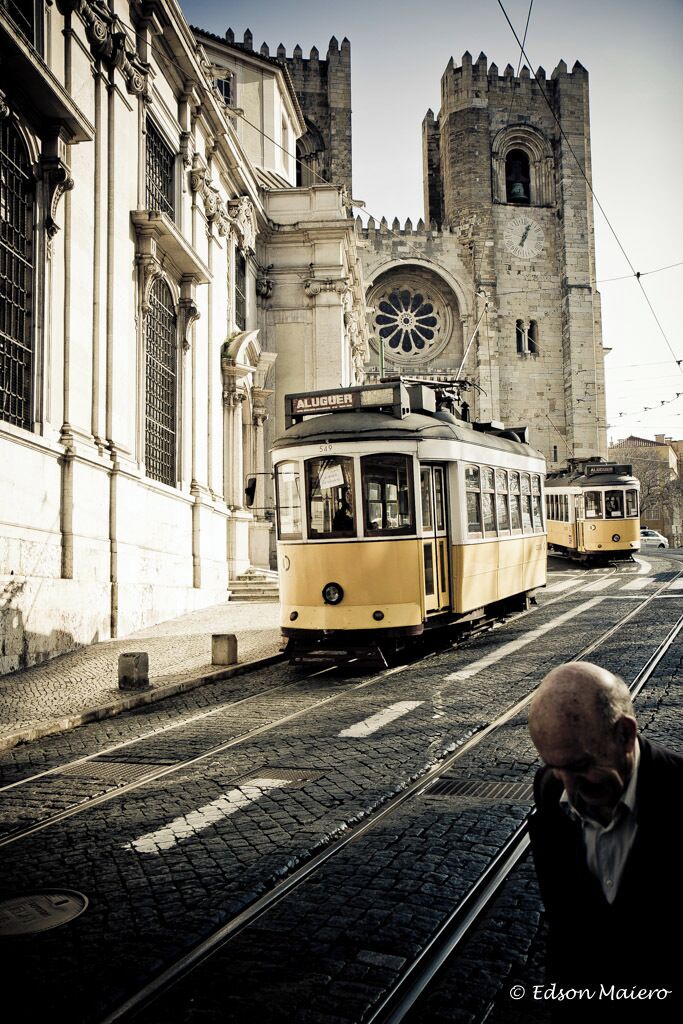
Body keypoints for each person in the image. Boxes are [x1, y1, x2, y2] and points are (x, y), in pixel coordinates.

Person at [528, 662, 682, 1017]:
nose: (570, 786)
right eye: (556, 766)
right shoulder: (550, 791)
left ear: (625, 734)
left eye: (581, 765)